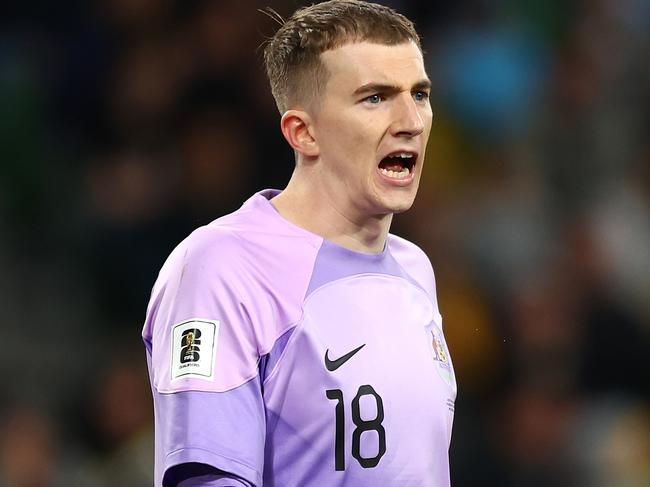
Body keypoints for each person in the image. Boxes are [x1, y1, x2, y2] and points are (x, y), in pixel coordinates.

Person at [142, 1, 456, 485]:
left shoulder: (415, 269)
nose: (410, 120)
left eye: (419, 93)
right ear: (303, 132)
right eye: (375, 97)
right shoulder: (222, 266)